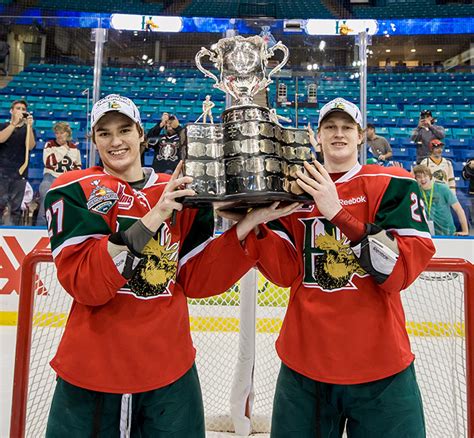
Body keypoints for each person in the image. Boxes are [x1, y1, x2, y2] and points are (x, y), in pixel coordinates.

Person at [43, 94, 258, 437]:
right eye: (104, 133)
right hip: (93, 368)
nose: (116, 141)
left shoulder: (179, 190)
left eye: (125, 129)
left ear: (142, 133)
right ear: (94, 139)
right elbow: (86, 285)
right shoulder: (73, 189)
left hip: (168, 369)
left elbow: (196, 280)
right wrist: (155, 216)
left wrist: (247, 226)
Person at [226, 97, 436, 437]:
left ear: (360, 136)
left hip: (380, 364)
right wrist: (254, 224)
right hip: (305, 362)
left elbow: (397, 274)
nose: (338, 134)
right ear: (316, 137)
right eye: (329, 127)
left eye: (346, 127)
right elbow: (284, 273)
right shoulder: (294, 192)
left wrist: (338, 213)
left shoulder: (390, 183)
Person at [36, 122, 82, 226]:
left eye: (62, 132)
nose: (59, 135)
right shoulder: (49, 145)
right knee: (45, 190)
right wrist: (64, 149)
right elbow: (49, 162)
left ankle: (69, 226)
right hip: (51, 176)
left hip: (67, 179)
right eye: (57, 133)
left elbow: (78, 166)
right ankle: (40, 226)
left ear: (67, 133)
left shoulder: (74, 148)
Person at [0, 99, 36, 225]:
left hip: (20, 173)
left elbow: (30, 146)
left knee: (16, 208)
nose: (21, 111)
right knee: (0, 204)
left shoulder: (28, 130)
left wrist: (30, 127)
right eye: (18, 108)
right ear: (11, 111)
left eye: (23, 109)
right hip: (2, 172)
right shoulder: (3, 126)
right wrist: (14, 124)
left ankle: (12, 232)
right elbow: (1, 139)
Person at [413, 164, 468, 236]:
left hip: (447, 233)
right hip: (427, 233)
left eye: (425, 176)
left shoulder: (443, 189)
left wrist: (465, 231)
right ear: (416, 179)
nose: (422, 179)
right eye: (419, 177)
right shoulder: (416, 191)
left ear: (430, 177)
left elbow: (459, 209)